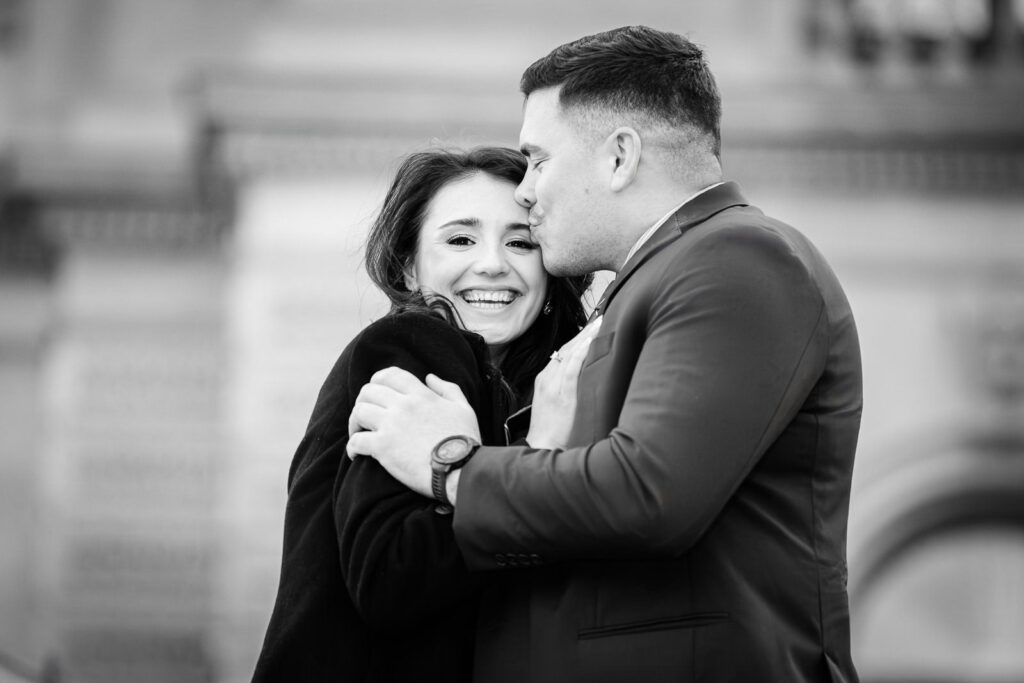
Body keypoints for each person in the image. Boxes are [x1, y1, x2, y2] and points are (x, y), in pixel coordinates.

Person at [347, 25, 863, 683]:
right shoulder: (662, 277)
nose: (526, 190)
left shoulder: (736, 259)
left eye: (537, 158)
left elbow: (647, 491)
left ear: (619, 156)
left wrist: (453, 466)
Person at [252, 146, 593, 682]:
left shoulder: (537, 386)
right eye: (460, 239)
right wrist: (529, 463)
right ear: (409, 266)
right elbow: (391, 578)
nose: (492, 263)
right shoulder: (413, 345)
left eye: (520, 242)